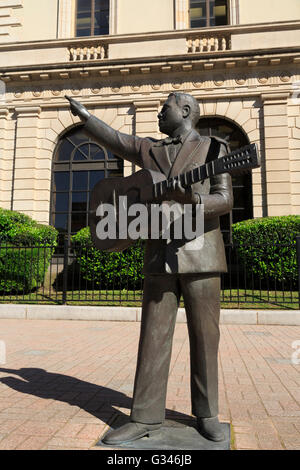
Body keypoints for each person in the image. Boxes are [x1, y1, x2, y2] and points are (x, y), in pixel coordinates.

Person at [66, 92, 233, 444]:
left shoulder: (214, 147)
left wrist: (195, 200)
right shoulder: (152, 150)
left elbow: (225, 199)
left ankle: (207, 414)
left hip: (201, 253)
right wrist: (85, 119)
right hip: (160, 253)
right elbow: (117, 140)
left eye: (165, 107)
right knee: (153, 338)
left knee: (205, 339)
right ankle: (145, 417)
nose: (159, 112)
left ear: (185, 111)